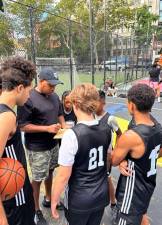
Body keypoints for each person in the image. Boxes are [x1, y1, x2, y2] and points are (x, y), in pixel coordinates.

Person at [51, 83, 112, 225]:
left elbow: (63, 176)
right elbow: (109, 159)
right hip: (101, 194)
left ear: (75, 104)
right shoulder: (106, 128)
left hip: (78, 199)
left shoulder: (72, 135)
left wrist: (54, 200)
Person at [17, 67, 66, 225]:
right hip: (37, 147)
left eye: (55, 85)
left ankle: (48, 198)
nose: (53, 88)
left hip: (53, 144)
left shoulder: (54, 96)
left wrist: (64, 128)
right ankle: (35, 210)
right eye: (50, 85)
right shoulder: (28, 98)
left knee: (51, 171)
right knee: (37, 179)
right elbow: (23, 126)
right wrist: (46, 128)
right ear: (41, 81)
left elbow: (60, 114)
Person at [112, 84, 162, 225]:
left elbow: (114, 160)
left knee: (126, 219)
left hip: (132, 192)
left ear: (132, 105)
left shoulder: (131, 136)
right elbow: (158, 152)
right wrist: (132, 158)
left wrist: (117, 132)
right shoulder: (157, 127)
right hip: (148, 185)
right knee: (141, 216)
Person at [0, 56, 36, 225]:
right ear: (20, 88)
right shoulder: (6, 116)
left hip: (15, 194)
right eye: (29, 91)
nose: (29, 96)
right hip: (15, 197)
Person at [95, 90, 122, 213]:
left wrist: (115, 151)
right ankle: (96, 203)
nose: (94, 104)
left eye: (97, 102)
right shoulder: (90, 116)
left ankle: (113, 203)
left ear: (103, 102)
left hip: (106, 155)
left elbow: (119, 134)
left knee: (107, 178)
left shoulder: (110, 118)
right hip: (94, 154)